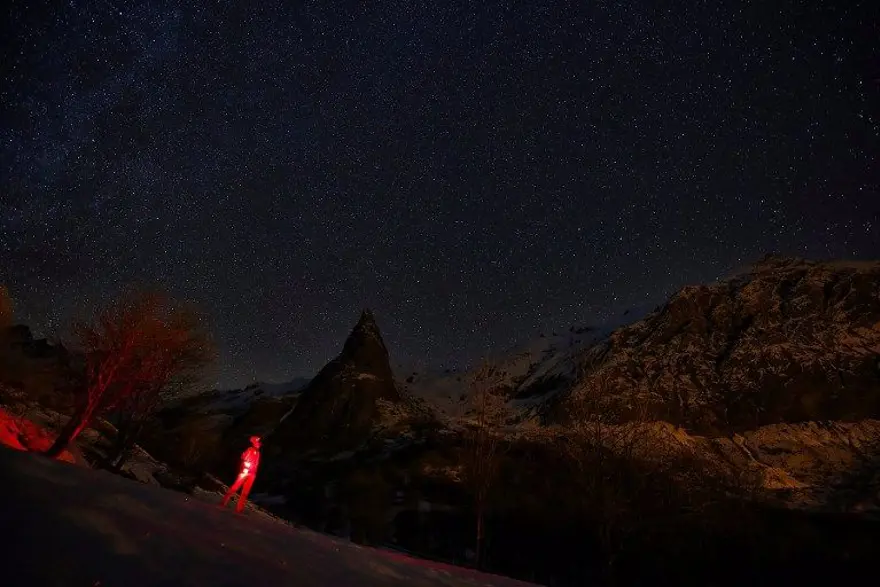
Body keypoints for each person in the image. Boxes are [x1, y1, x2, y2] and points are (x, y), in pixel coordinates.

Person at [221, 435, 261, 513]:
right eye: (258, 442)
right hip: (246, 471)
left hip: (252, 474)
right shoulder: (250, 449)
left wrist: (254, 472)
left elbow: (256, 463)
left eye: (259, 442)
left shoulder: (258, 453)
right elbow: (243, 457)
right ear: (254, 442)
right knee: (235, 487)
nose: (259, 443)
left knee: (245, 492)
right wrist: (246, 466)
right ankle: (224, 502)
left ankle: (239, 509)